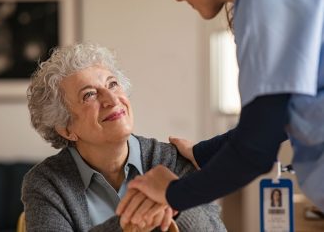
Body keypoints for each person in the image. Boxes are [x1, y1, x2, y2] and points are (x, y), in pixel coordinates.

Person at [116, 0, 324, 223]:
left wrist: (172, 193)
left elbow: (256, 150)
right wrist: (202, 153)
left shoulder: (263, 4)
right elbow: (280, 119)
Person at [21, 43, 227, 231]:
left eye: (112, 84)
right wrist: (127, 223)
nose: (112, 99)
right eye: (89, 95)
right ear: (66, 129)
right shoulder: (46, 183)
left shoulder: (171, 160)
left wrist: (175, 197)